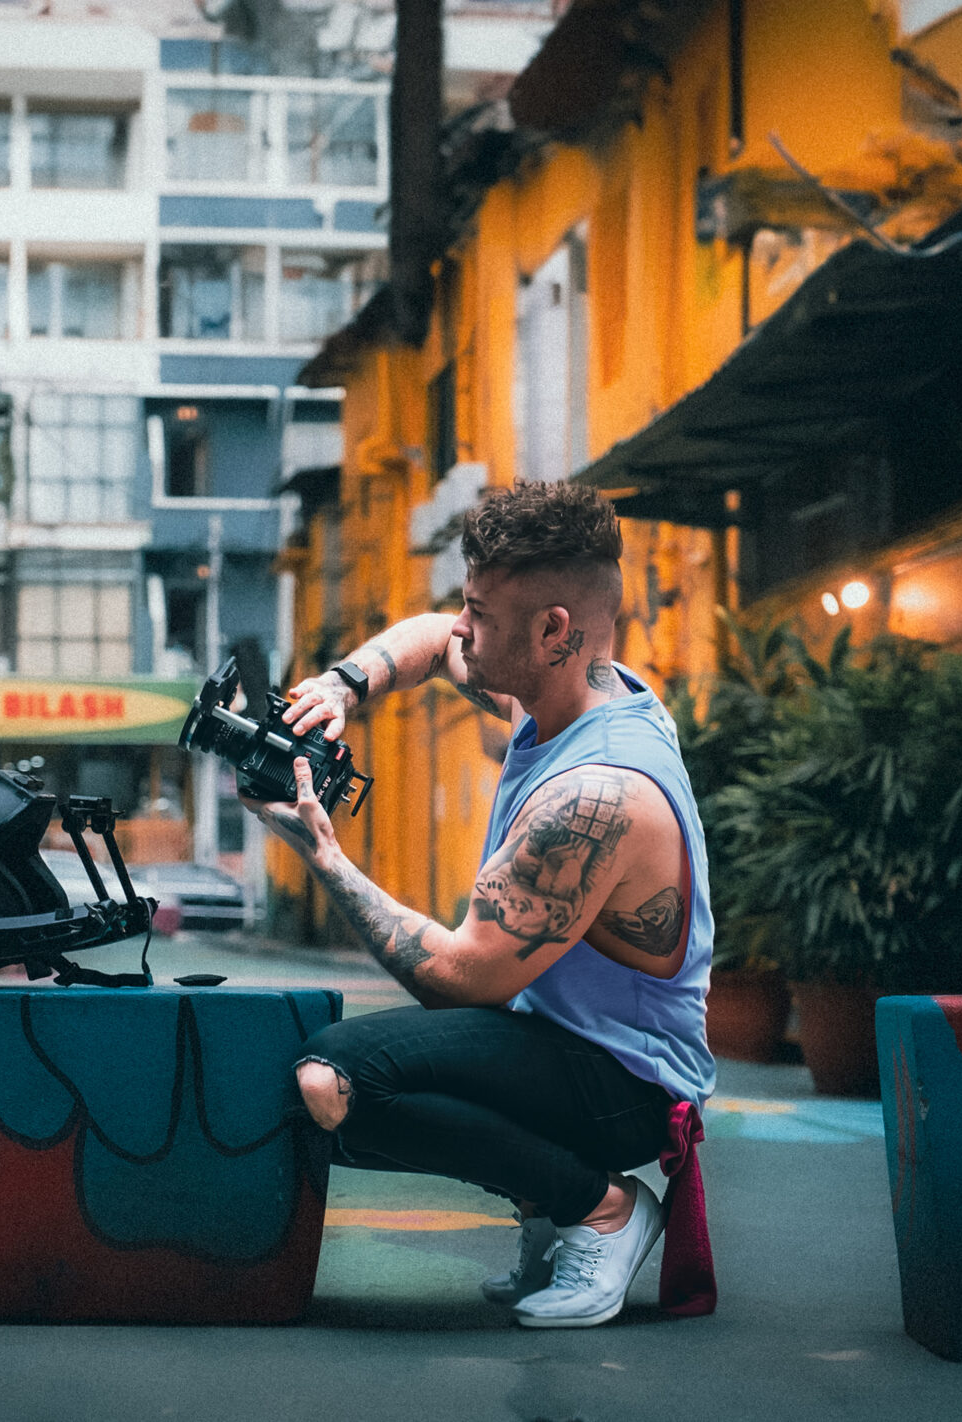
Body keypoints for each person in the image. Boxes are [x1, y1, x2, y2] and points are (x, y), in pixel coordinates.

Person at [243, 480, 714, 1329]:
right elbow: (429, 639)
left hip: (625, 1082)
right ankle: (549, 1201)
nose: (462, 628)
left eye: (480, 613)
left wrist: (323, 855)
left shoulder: (597, 796)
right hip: (563, 1043)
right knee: (327, 1084)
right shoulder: (566, 692)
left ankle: (599, 1207)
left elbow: (461, 979)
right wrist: (345, 686)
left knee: (333, 1083)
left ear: (553, 630)